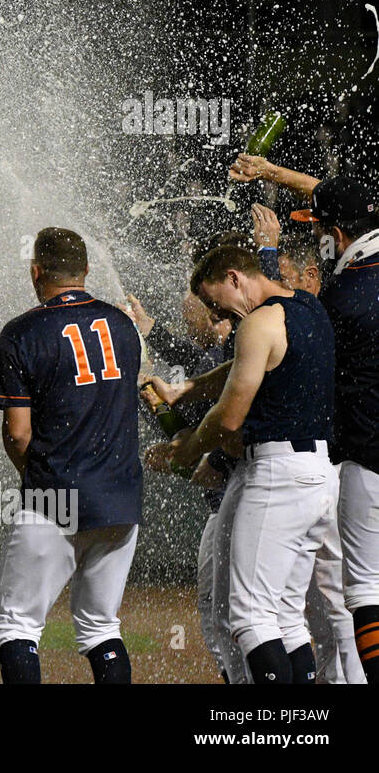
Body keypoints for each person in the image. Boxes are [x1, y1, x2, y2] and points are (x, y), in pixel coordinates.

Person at [147, 244, 336, 684]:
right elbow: (242, 363)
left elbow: (229, 415)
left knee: (250, 619)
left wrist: (187, 449)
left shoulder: (257, 321)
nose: (218, 315)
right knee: (287, 618)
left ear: (234, 277)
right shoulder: (308, 307)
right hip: (319, 476)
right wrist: (185, 390)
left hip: (275, 475)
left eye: (216, 301)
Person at [0, 227, 142, 684]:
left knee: (17, 625)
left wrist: (37, 478)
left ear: (36, 272)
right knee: (100, 626)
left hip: (55, 495)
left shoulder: (23, 332)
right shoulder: (122, 324)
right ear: (86, 270)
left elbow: (18, 435)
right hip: (119, 495)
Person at [289, 176, 379, 683]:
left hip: (367, 460)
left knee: (365, 589)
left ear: (337, 234)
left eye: (321, 229)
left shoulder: (342, 296)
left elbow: (304, 366)